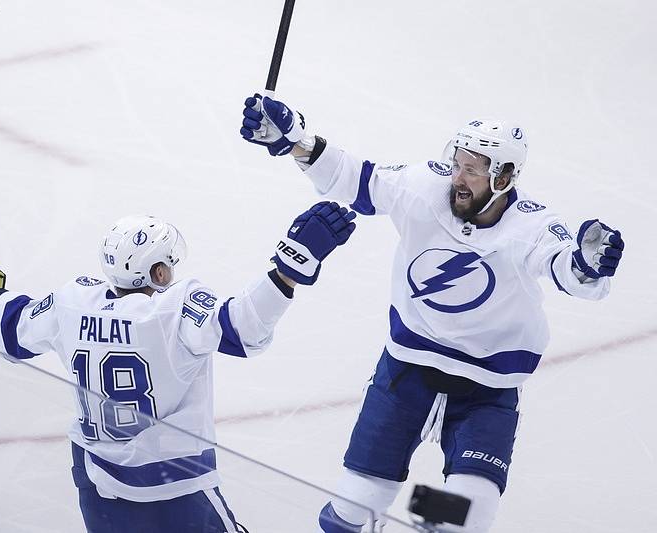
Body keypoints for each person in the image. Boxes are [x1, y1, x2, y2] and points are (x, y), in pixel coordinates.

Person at [240, 94, 625, 532]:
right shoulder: (425, 186)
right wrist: (295, 140)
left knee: (460, 519)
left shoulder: (532, 226)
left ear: (505, 177)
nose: (458, 178)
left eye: (473, 170)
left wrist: (587, 265)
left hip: (485, 392)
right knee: (352, 510)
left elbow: (566, 267)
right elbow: (355, 180)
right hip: (406, 375)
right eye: (457, 163)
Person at [0, 202, 357, 533]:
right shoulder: (173, 309)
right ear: (157, 271)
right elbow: (242, 328)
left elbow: (15, 328)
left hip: (100, 484)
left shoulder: (72, 302)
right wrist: (288, 270)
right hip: (176, 485)